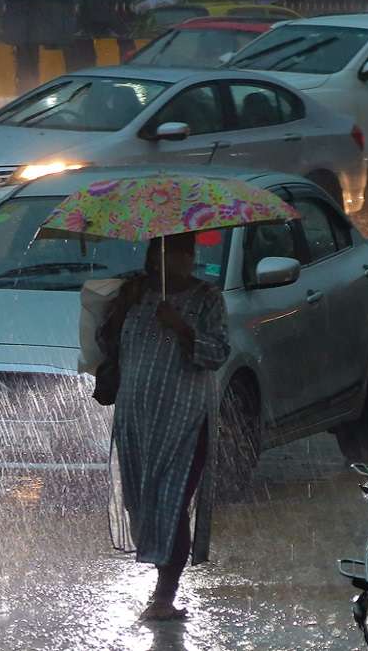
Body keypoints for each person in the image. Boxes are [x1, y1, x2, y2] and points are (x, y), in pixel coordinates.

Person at [98, 232, 230, 621]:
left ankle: (164, 595)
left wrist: (182, 327)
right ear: (156, 256)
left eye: (189, 251)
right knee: (144, 502)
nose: (186, 259)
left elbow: (218, 352)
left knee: (173, 501)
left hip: (185, 420)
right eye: (175, 251)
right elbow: (107, 343)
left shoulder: (207, 298)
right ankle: (160, 582)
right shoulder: (134, 294)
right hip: (136, 418)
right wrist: (120, 309)